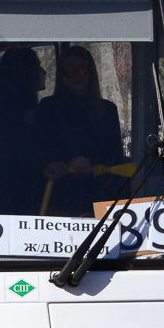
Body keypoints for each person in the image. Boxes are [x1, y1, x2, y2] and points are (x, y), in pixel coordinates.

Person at [35, 46, 125, 216]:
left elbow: (114, 156)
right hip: (57, 198)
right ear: (61, 75)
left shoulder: (107, 110)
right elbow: (39, 148)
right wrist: (63, 162)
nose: (76, 74)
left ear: (92, 73)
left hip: (97, 198)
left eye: (83, 69)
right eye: (69, 70)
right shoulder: (48, 107)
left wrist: (92, 165)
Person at [0, 47, 46, 214]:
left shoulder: (7, 110)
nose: (44, 72)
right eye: (37, 67)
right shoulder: (19, 117)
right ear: (25, 73)